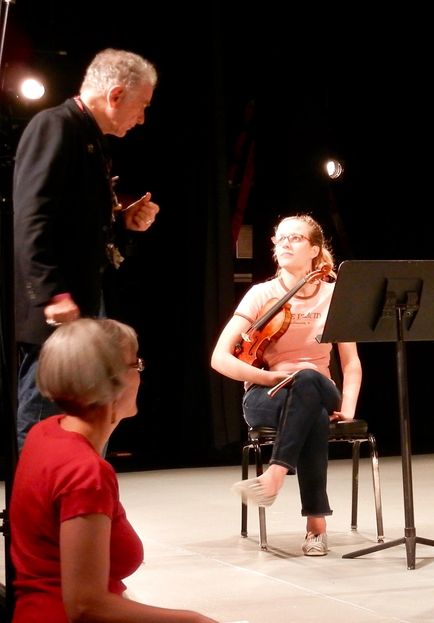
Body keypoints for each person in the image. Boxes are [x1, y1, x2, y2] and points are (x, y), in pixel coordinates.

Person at [10, 318, 217, 622]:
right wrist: (194, 619)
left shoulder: (45, 432)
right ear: (112, 380)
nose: (141, 376)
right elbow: (85, 606)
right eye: (137, 365)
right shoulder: (85, 472)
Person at [12, 48, 161, 450]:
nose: (142, 117)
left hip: (79, 299)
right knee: (47, 412)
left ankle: (77, 502)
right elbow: (31, 219)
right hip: (57, 305)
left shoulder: (89, 139)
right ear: (115, 95)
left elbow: (76, 223)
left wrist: (123, 223)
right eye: (141, 105)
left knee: (85, 412)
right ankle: (37, 508)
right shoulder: (55, 126)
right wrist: (51, 294)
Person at [210, 214, 362, 556]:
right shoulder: (261, 294)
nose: (284, 244)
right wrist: (268, 377)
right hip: (267, 393)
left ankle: (275, 475)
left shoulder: (335, 294)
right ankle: (316, 526)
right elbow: (219, 357)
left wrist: (348, 410)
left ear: (314, 249)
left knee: (308, 379)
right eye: (280, 239)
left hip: (322, 389)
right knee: (309, 411)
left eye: (294, 238)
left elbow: (351, 364)